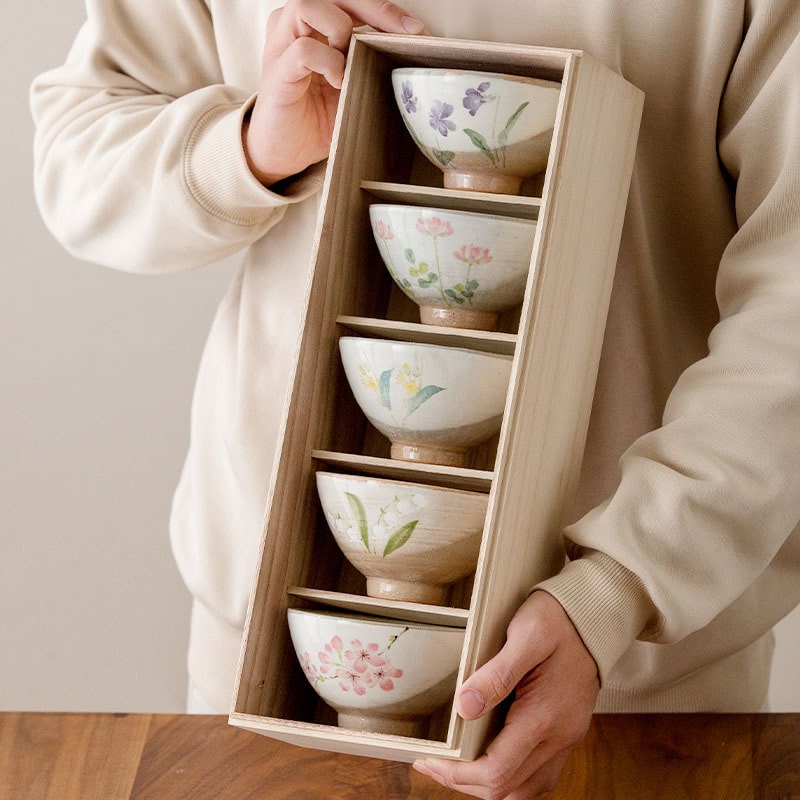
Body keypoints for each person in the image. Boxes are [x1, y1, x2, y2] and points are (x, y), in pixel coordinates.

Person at [31, 0, 800, 797]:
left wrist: (616, 591)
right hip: (283, 650)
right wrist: (252, 144)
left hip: (644, 691)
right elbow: (79, 147)